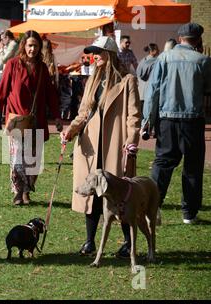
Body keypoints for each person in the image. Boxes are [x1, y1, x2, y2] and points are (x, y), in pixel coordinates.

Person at [61, 36, 141, 256]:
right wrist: (71, 130)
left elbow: (134, 116)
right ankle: (89, 242)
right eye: (93, 52)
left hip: (115, 146)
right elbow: (83, 113)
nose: (95, 56)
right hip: (90, 145)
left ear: (110, 54)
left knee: (120, 194)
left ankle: (128, 243)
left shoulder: (127, 81)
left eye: (99, 52)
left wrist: (131, 142)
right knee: (92, 195)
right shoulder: (92, 81)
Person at [143, 23, 211, 224]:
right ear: (198, 39)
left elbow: (153, 91)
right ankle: (189, 213)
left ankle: (152, 209)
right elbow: (209, 86)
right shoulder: (204, 60)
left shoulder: (164, 58)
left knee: (162, 163)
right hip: (192, 120)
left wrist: (147, 120)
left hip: (167, 119)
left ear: (180, 38)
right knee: (192, 166)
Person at [0, 30, 63, 205]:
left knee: (33, 159)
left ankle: (27, 191)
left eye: (36, 46)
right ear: (24, 45)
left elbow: (51, 95)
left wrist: (57, 117)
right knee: (17, 158)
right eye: (30, 45)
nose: (33, 49)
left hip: (37, 120)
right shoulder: (13, 65)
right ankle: (18, 191)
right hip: (17, 119)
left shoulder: (42, 67)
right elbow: (2, 91)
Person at [136, 43, 159, 110]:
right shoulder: (155, 62)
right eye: (157, 49)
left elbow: (138, 73)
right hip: (148, 93)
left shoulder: (142, 60)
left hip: (140, 93)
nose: (159, 50)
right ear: (153, 51)